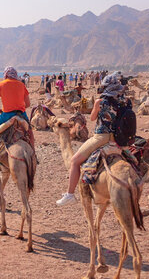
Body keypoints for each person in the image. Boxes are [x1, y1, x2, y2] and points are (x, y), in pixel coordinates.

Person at [56, 72, 128, 206]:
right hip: (118, 138)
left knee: (74, 161)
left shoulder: (101, 101)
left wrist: (95, 107)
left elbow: (92, 118)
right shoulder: (123, 100)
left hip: (101, 136)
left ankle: (70, 194)